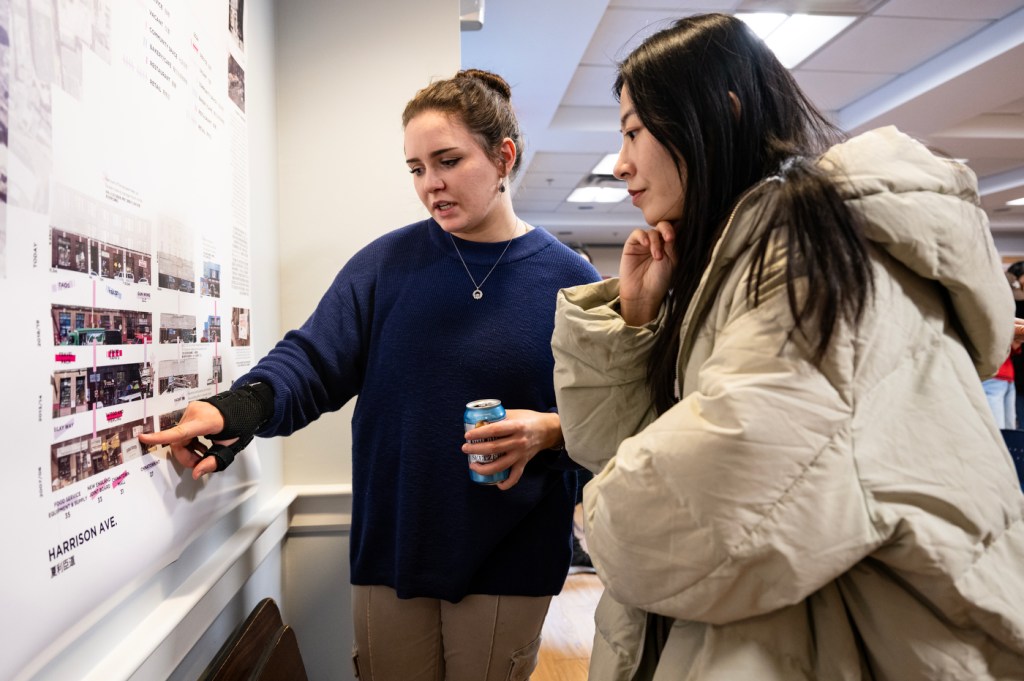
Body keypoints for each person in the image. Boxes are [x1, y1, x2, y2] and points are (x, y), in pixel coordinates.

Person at [550, 14, 1024, 681]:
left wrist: (594, 519)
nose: (623, 161)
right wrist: (635, 318)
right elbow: (610, 447)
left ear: (722, 111)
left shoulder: (815, 246)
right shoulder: (734, 256)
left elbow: (725, 484)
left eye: (634, 131)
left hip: (866, 631)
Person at [140, 69, 600, 681]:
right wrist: (238, 408)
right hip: (395, 546)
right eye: (416, 168)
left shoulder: (570, 280)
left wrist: (546, 429)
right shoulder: (387, 265)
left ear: (503, 156)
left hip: (511, 552)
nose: (430, 184)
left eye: (447, 160)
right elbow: (311, 359)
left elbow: (608, 419)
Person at [984, 270, 1024, 428]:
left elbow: (1013, 348)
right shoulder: (986, 309)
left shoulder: (1004, 311)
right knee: (998, 430)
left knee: (1009, 429)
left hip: (1007, 377)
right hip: (993, 375)